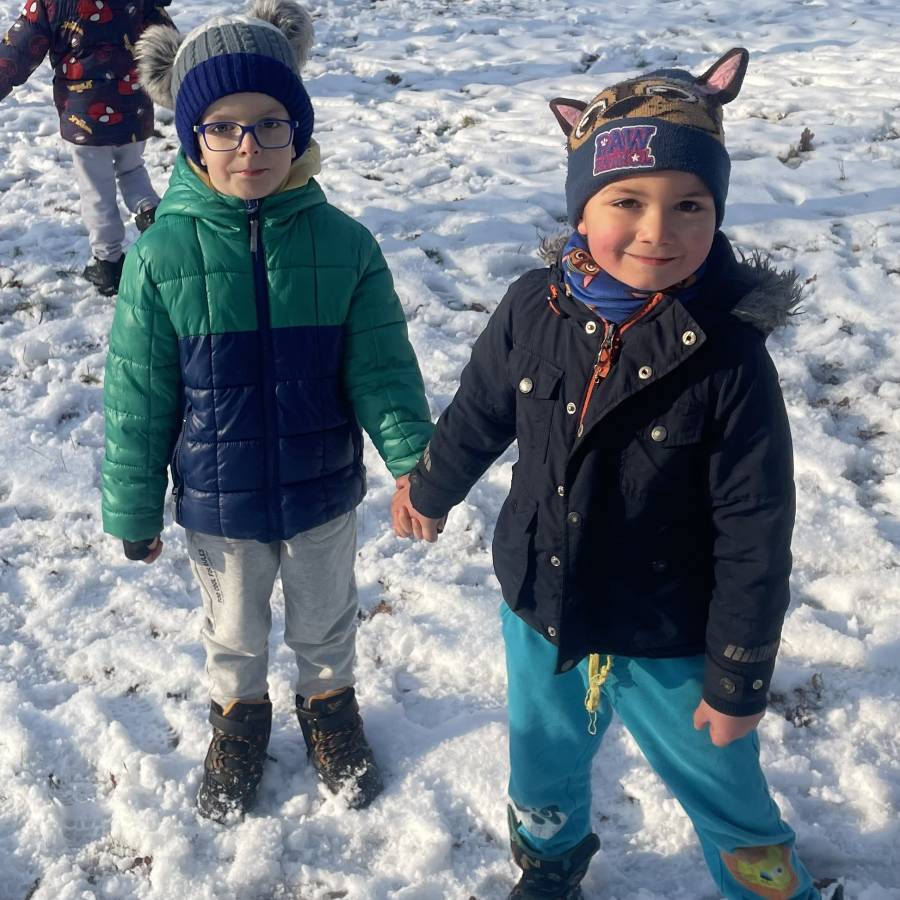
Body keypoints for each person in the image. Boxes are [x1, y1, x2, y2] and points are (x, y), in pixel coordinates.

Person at [394, 49, 841, 900]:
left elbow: (755, 530)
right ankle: (550, 862)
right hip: (542, 603)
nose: (657, 231)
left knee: (724, 787)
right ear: (582, 207)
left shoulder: (729, 360)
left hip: (667, 630)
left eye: (689, 205)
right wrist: (430, 486)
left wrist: (739, 675)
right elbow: (480, 410)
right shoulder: (533, 308)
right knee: (542, 761)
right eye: (626, 201)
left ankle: (769, 889)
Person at [101, 0, 432, 822]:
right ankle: (238, 721)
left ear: (298, 129)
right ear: (190, 138)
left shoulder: (345, 246)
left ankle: (330, 707)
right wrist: (133, 506)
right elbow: (138, 396)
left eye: (269, 124)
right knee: (234, 632)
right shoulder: (161, 257)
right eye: (222, 127)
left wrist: (415, 466)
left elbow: (383, 371)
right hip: (221, 502)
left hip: (321, 490)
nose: (248, 146)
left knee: (326, 620)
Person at [0, 0, 175, 296]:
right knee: (132, 168)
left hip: (84, 117)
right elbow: (167, 40)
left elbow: (17, 50)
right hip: (133, 107)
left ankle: (108, 263)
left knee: (97, 189)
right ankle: (152, 214)